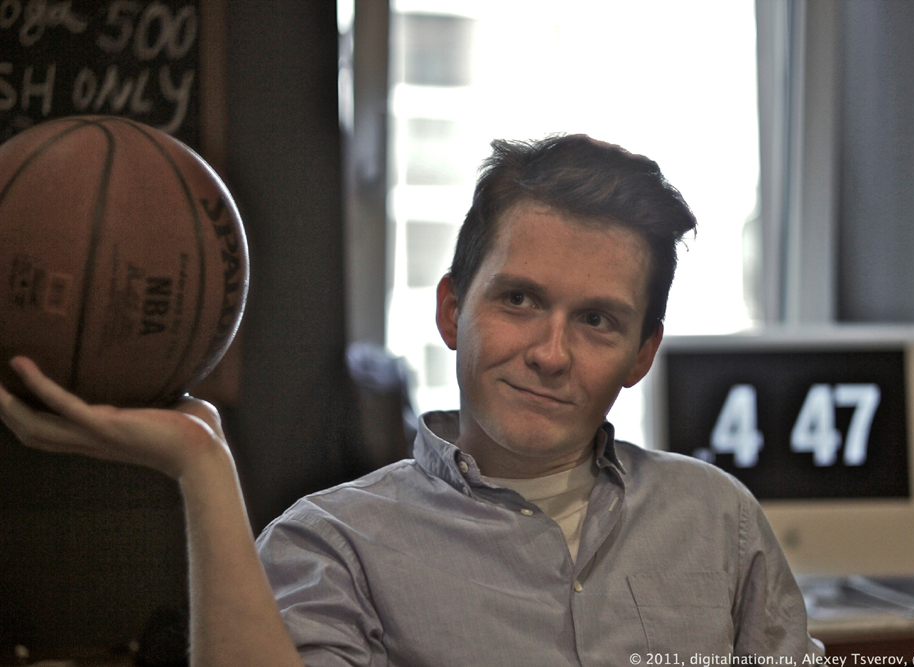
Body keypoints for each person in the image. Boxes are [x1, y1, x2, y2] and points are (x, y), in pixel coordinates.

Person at [0, 135, 823, 665]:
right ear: (451, 311)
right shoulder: (334, 546)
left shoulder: (719, 519)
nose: (550, 352)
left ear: (642, 354)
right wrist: (201, 463)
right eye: (519, 300)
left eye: (597, 321)